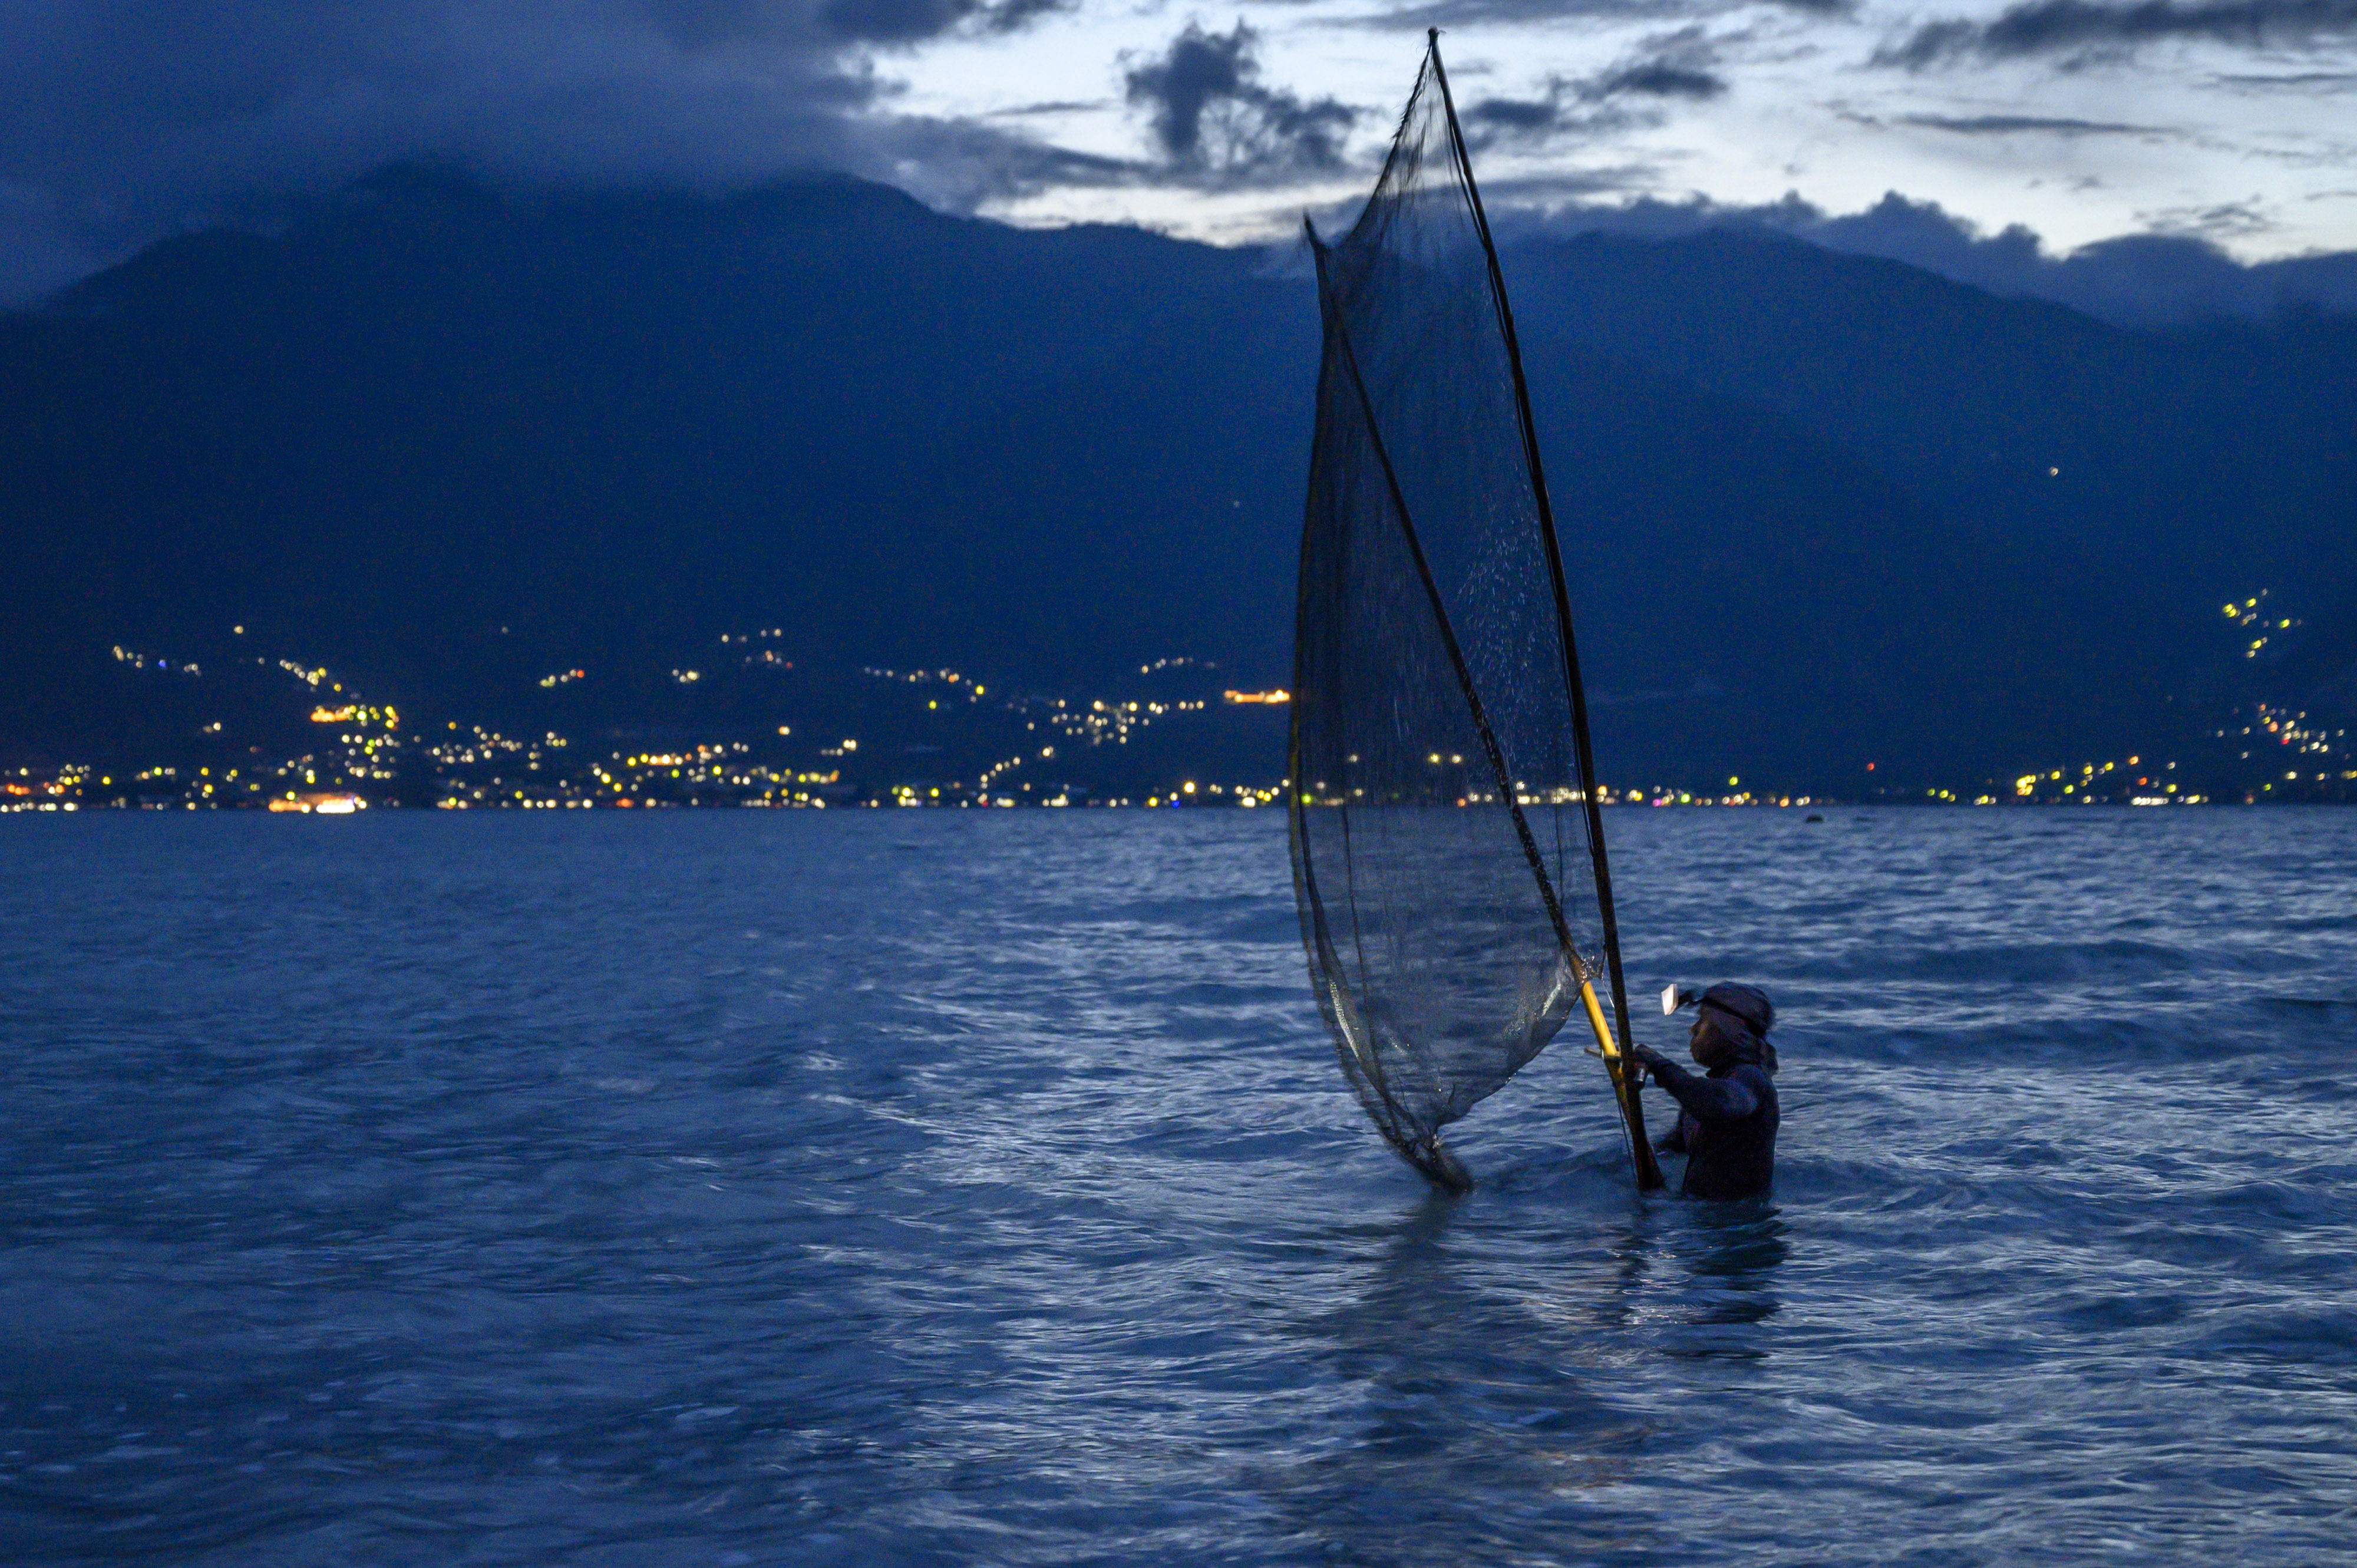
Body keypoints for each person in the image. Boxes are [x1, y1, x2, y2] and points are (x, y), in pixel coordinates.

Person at [1630, 983, 1779, 1200]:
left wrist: (1660, 1067)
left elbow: (1720, 1104)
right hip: (1700, 1218)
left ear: (1727, 1028)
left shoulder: (1752, 1080)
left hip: (1737, 1226)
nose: (1693, 1029)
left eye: (1703, 1020)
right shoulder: (1703, 1097)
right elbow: (1670, 1149)